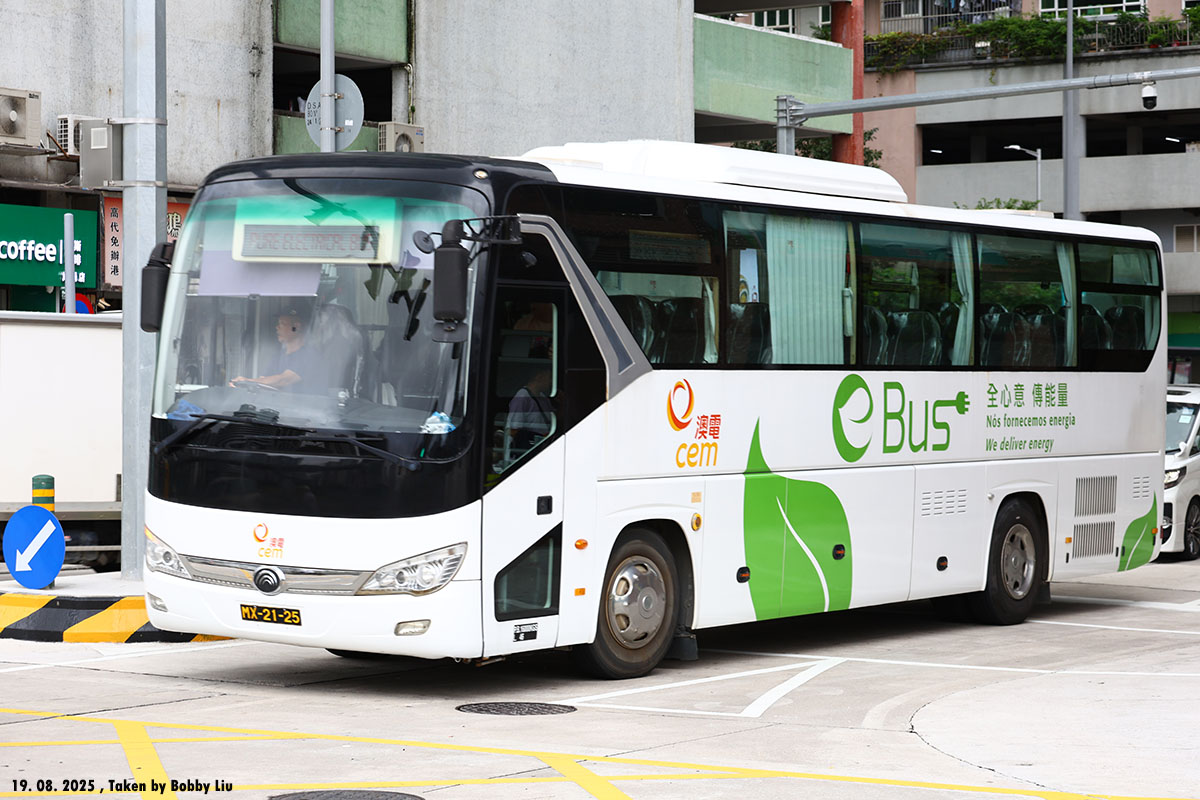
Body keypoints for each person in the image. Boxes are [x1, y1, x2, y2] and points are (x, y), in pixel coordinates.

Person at [231, 309, 322, 391]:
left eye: (282, 323)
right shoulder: (279, 356)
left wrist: (248, 381)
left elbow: (283, 380)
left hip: (304, 404)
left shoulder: (309, 355)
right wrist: (243, 385)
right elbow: (263, 381)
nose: (277, 327)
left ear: (296, 327)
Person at [507, 366, 554, 455]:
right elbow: (514, 430)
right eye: (549, 377)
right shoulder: (522, 397)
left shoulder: (544, 398)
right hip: (527, 451)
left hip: (542, 448)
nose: (551, 381)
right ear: (539, 377)